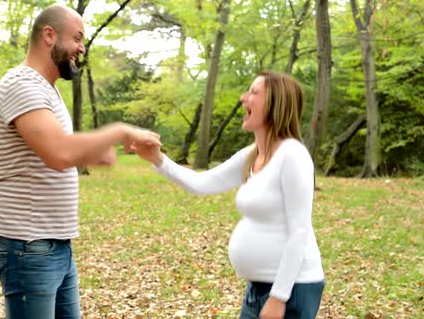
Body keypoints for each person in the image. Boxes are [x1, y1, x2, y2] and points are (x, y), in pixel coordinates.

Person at [0, 4, 161, 319]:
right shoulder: (22, 84)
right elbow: (59, 153)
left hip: (54, 243)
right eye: (77, 38)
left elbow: (54, 150)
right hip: (28, 244)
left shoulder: (47, 91)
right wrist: (117, 131)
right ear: (49, 36)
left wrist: (95, 151)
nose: (82, 48)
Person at [132, 71, 325, 319]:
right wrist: (158, 159)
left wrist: (279, 297)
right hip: (258, 289)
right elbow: (201, 183)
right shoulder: (252, 155)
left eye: (254, 92)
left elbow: (299, 231)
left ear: (276, 103)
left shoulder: (293, 156)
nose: (244, 98)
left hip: (292, 289)